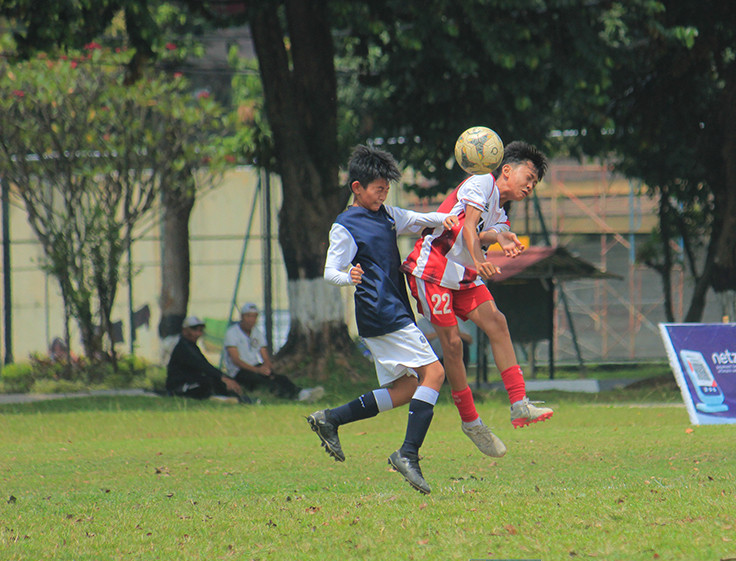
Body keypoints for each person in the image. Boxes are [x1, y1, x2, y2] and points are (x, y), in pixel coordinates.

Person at [306, 145, 460, 495]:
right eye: (377, 187)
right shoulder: (344, 226)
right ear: (356, 187)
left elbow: (418, 218)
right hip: (381, 310)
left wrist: (445, 218)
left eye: (386, 187)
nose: (383, 192)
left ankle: (331, 419)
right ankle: (407, 454)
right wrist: (350, 277)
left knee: (405, 389)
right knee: (434, 373)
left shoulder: (387, 214)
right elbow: (330, 270)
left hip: (389, 312)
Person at [402, 140, 553, 458]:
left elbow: (484, 232)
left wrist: (501, 237)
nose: (531, 185)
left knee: (497, 322)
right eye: (529, 177)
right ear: (507, 170)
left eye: (535, 183)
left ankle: (519, 404)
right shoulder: (482, 181)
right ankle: (471, 422)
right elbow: (468, 227)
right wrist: (479, 257)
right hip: (432, 269)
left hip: (461, 274)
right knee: (453, 345)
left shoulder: (501, 213)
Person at [223, 302, 324, 402]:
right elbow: (236, 360)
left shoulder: (257, 333)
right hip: (239, 371)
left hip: (255, 367)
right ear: (242, 317)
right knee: (264, 383)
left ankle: (301, 392)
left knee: (279, 378)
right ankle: (294, 396)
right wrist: (257, 370)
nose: (251, 320)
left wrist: (266, 366)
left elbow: (264, 355)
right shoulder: (232, 333)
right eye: (248, 316)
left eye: (254, 317)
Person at [166, 315, 246, 402]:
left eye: (200, 330)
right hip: (180, 385)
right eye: (194, 330)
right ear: (185, 331)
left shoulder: (191, 346)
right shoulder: (183, 348)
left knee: (214, 380)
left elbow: (205, 365)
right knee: (206, 383)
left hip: (191, 380)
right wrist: (223, 377)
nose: (198, 334)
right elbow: (202, 365)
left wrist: (226, 378)